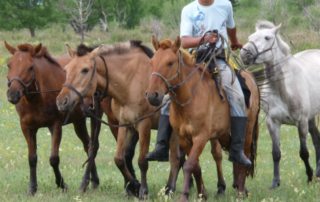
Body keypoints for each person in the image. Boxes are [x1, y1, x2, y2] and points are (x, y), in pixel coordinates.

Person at [147, 0, 251, 167]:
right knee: (168, 100)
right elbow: (185, 42)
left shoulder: (225, 5)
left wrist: (234, 41)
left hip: (219, 59)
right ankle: (161, 146)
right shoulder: (189, 10)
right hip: (193, 61)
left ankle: (237, 150)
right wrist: (204, 39)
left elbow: (231, 27)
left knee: (238, 96)